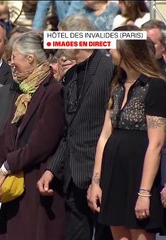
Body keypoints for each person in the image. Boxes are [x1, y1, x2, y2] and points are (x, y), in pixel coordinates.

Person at [37, 15, 114, 240]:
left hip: (102, 173)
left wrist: (97, 179)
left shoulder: (109, 69)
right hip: (73, 176)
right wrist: (52, 169)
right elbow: (68, 131)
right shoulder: (69, 76)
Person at [87, 25, 166, 240]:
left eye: (112, 46)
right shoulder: (117, 84)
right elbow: (104, 136)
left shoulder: (155, 86)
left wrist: (144, 193)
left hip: (139, 175)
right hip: (114, 174)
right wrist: (96, 182)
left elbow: (156, 144)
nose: (109, 51)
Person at [0, 32, 66, 240]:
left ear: (30, 59)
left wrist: (7, 166)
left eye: (14, 57)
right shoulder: (22, 91)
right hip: (14, 186)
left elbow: (42, 143)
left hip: (35, 183)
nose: (10, 62)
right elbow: (6, 135)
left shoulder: (53, 91)